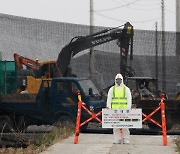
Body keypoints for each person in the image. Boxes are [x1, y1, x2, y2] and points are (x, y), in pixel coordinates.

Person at [106, 73, 132, 144]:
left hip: (124, 111)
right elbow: (109, 99)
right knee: (115, 126)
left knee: (125, 126)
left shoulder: (126, 89)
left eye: (120, 80)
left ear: (122, 80)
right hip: (114, 111)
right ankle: (117, 139)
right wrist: (109, 108)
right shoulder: (112, 89)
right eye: (117, 80)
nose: (118, 81)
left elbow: (129, 99)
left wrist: (128, 109)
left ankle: (126, 139)